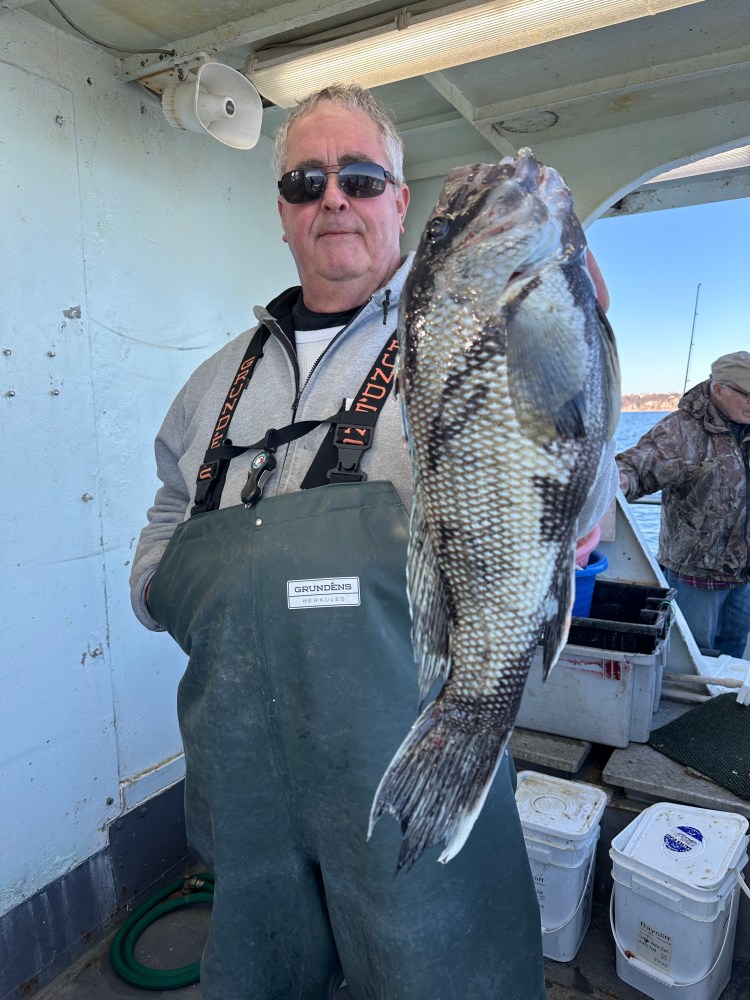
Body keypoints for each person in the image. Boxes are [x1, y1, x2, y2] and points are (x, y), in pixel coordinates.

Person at [130, 83, 618, 1000]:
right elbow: (168, 509)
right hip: (244, 783)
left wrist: (582, 336)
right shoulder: (211, 383)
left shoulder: (468, 329)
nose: (333, 199)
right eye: (306, 181)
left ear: (399, 198)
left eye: (359, 176)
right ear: (281, 212)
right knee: (258, 975)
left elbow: (572, 483)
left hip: (409, 749)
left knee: (438, 971)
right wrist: (157, 586)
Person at [617, 351, 750, 659]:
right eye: (746, 394)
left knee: (733, 656)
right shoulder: (680, 430)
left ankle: (723, 706)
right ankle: (700, 706)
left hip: (742, 574)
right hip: (696, 577)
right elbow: (639, 466)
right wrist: (621, 479)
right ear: (719, 389)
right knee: (695, 659)